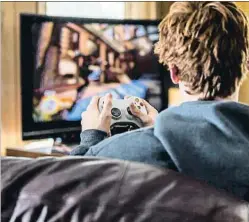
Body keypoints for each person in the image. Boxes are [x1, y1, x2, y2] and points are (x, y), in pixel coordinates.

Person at [70, 2, 249, 201]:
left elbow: (70, 193)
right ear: (245, 65)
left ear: (174, 71)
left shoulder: (120, 155)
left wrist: (91, 139)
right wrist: (162, 129)